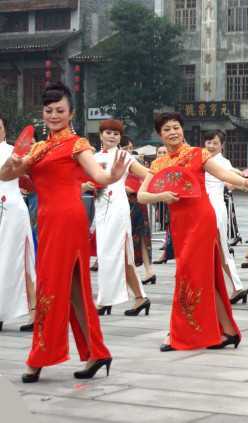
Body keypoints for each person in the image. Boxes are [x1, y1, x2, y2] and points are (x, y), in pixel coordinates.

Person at [1, 81, 127, 383]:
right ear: (42, 113)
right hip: (46, 221)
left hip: (68, 221)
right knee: (74, 291)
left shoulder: (78, 144)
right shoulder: (38, 148)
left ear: (71, 113)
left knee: (51, 287)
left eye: (60, 110)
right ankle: (97, 351)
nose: (54, 115)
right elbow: (6, 175)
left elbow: (98, 175)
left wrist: (112, 175)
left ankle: (39, 357)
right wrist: (13, 163)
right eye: (49, 110)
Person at [137, 112, 248, 352]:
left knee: (187, 275)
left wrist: (247, 182)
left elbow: (224, 174)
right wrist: (161, 196)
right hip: (180, 223)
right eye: (167, 129)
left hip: (201, 219)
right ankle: (228, 330)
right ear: (160, 134)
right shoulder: (159, 163)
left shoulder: (198, 154)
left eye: (176, 127)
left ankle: (178, 333)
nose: (173, 132)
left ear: (183, 130)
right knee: (202, 276)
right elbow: (143, 195)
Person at [87, 119, 151, 316]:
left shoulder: (125, 156)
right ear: (100, 135)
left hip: (118, 209)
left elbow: (148, 174)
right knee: (117, 256)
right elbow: (85, 181)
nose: (112, 136)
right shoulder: (93, 157)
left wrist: (147, 191)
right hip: (100, 209)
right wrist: (88, 187)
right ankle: (140, 297)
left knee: (110, 254)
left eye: (116, 133)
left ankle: (105, 300)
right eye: (108, 132)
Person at [0, 115, 37, 332]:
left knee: (21, 261)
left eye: (0, 126)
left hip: (13, 211)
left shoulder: (14, 151)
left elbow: (31, 177)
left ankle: (35, 313)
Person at [202, 131, 245, 304]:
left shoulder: (223, 162)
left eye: (215, 142)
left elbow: (233, 180)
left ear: (221, 145)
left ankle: (237, 286)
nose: (211, 145)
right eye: (208, 142)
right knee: (210, 249)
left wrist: (239, 179)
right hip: (202, 207)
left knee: (220, 248)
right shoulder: (201, 158)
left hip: (215, 208)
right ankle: (221, 287)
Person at [121, 137, 156, 284]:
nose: (128, 151)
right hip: (123, 202)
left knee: (142, 236)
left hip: (136, 202)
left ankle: (149, 270)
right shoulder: (114, 160)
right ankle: (139, 272)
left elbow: (146, 177)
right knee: (128, 238)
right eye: (125, 148)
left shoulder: (135, 161)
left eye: (129, 148)